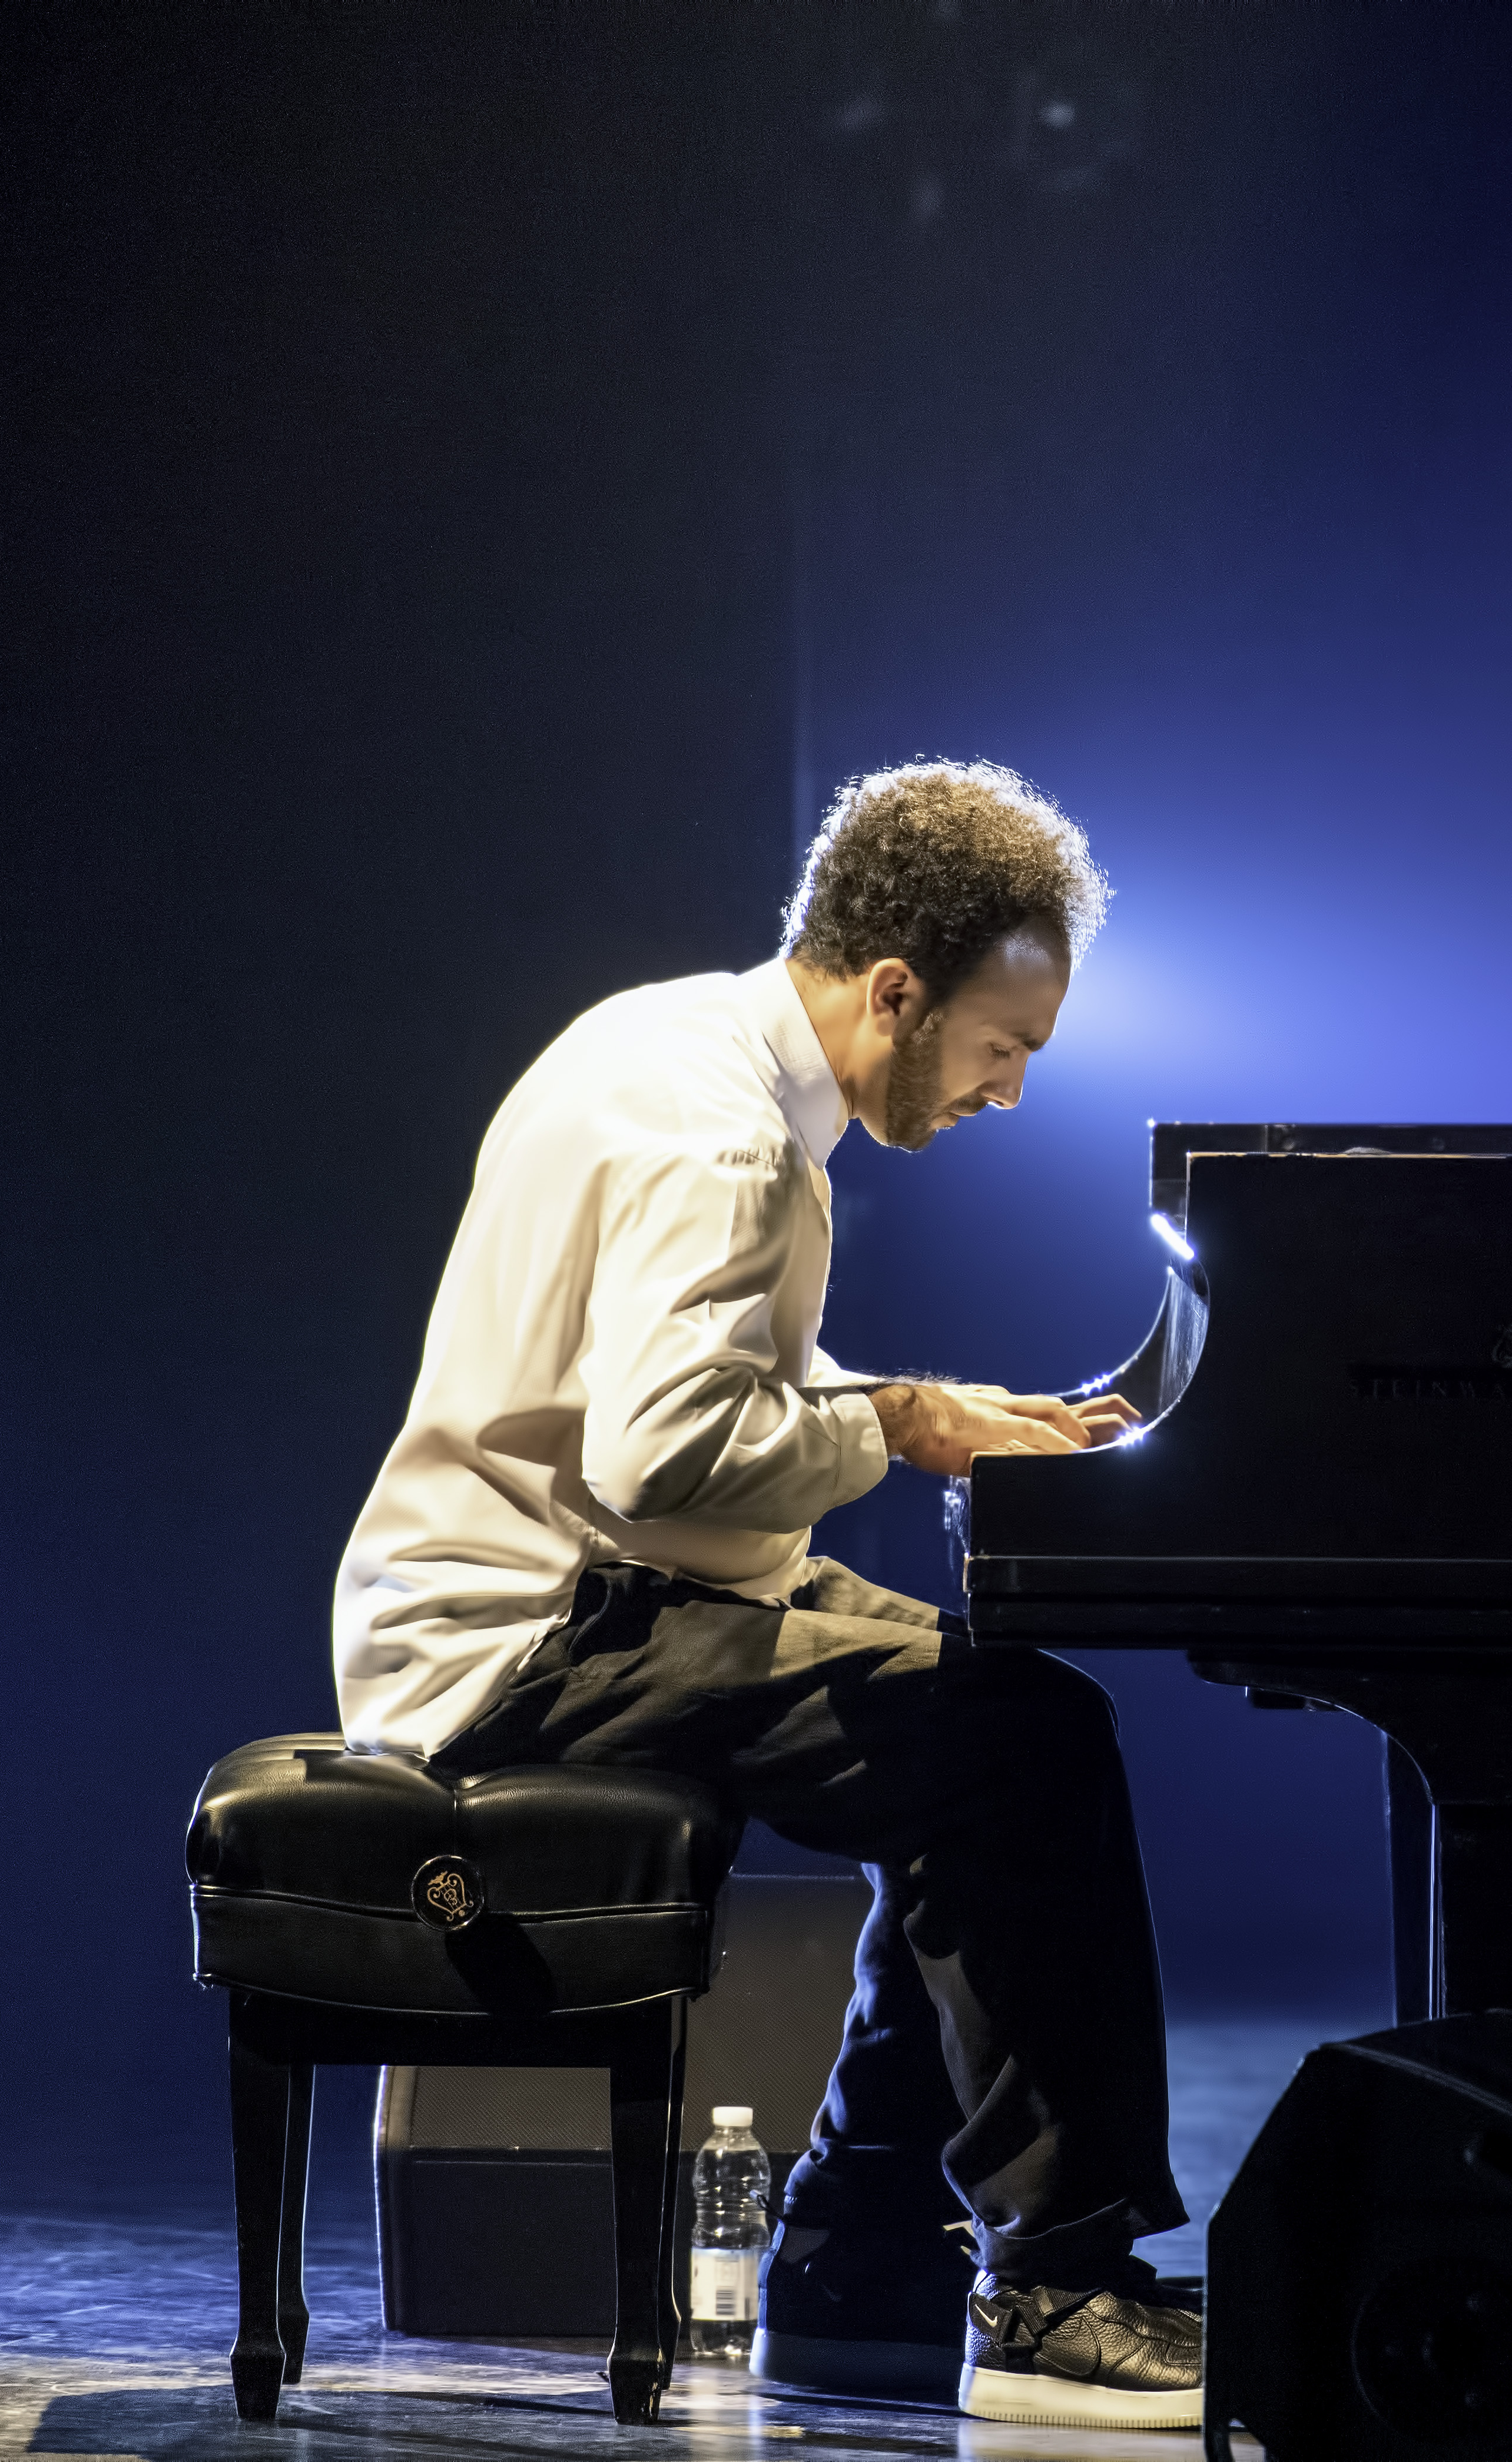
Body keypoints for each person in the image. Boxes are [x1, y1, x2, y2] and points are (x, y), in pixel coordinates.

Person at [330, 760, 1200, 2430]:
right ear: (896, 991)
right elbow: (667, 1454)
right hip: (540, 1640)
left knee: (1001, 1722)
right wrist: (901, 1425)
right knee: (1020, 1742)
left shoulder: (663, 1038)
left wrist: (935, 1411)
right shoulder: (725, 1140)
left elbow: (704, 1377)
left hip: (573, 1601)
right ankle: (1052, 2289)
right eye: (1002, 1048)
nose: (1005, 1091)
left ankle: (861, 2272)